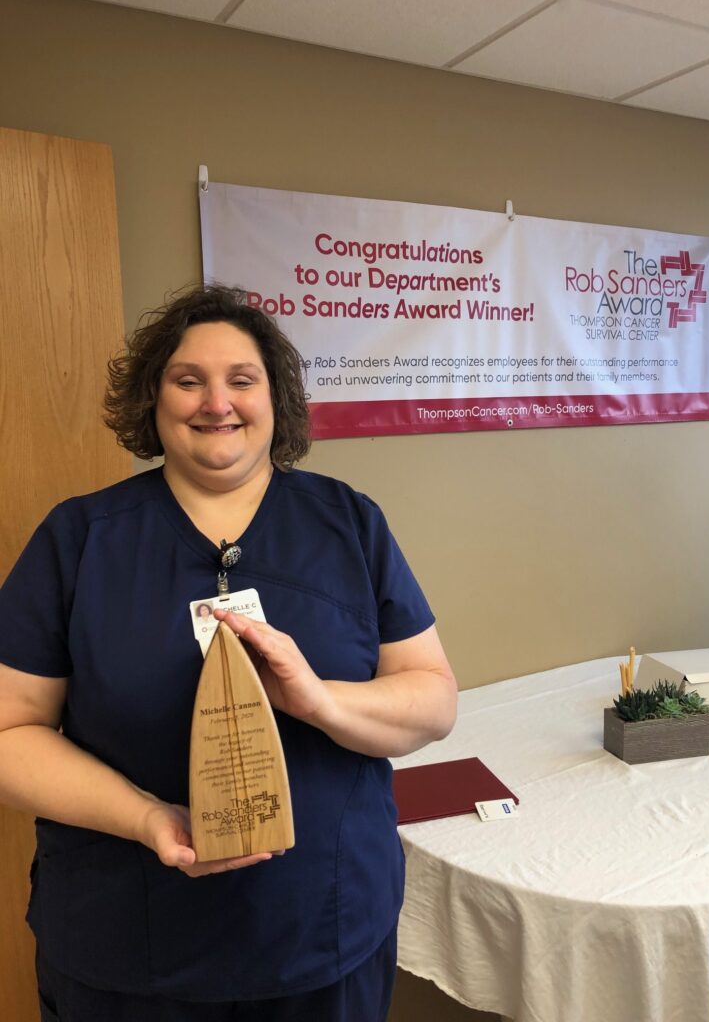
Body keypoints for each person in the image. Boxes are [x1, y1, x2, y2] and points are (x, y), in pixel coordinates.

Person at [0, 285, 457, 1022]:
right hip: (125, 954)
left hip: (322, 944)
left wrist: (321, 698)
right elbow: (8, 732)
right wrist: (148, 818)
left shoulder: (348, 523)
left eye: (242, 380)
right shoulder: (79, 540)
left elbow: (433, 699)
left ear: (275, 398)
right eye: (189, 380)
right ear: (154, 400)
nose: (218, 402)